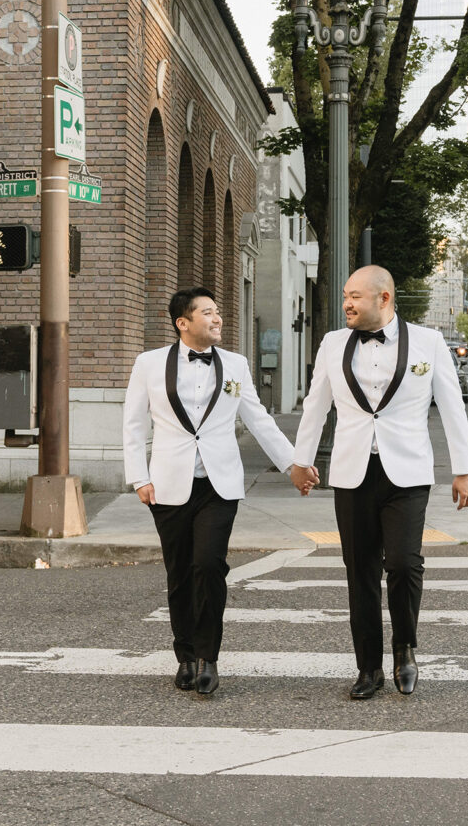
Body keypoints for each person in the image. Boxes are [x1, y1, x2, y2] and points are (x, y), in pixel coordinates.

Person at [291, 265, 468, 699]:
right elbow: (315, 405)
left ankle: (405, 647)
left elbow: (452, 407)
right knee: (359, 571)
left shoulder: (429, 343)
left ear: (385, 298)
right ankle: (368, 668)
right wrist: (300, 461)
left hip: (407, 473)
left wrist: (464, 469)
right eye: (344, 296)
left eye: (355, 296)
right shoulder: (332, 344)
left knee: (404, 564)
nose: (347, 304)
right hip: (352, 473)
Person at [123, 287, 295, 695]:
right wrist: (139, 477)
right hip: (167, 483)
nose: (217, 319)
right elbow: (132, 424)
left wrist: (293, 464)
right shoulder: (148, 364)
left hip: (220, 484)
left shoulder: (236, 364)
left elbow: (259, 418)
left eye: (218, 312)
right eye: (207, 313)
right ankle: (184, 654)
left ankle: (208, 657)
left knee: (209, 565)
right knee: (180, 572)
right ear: (183, 323)